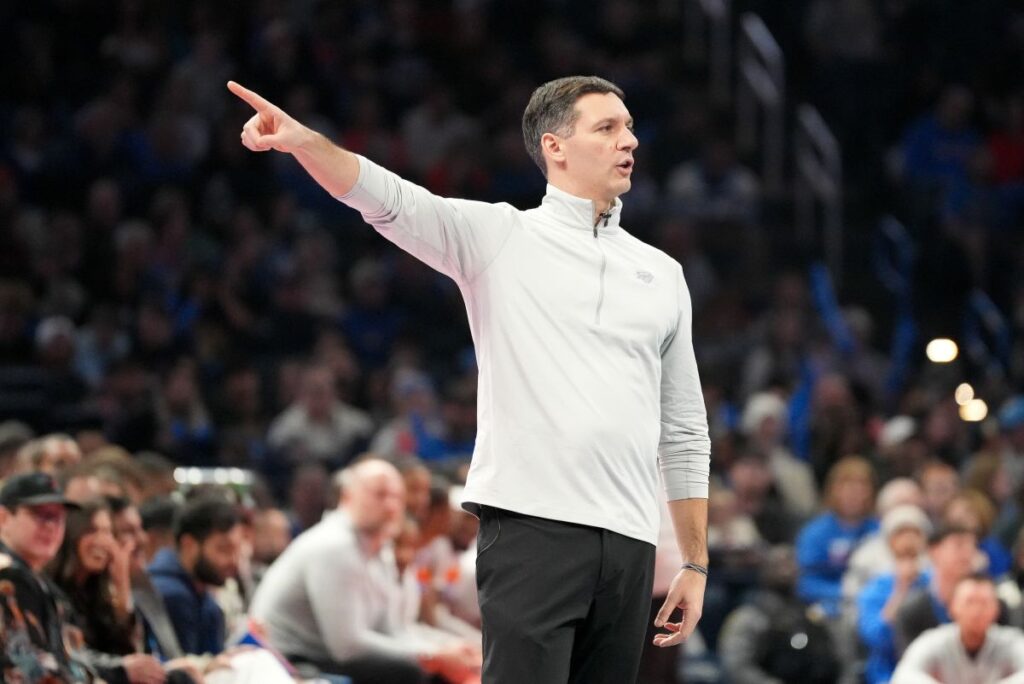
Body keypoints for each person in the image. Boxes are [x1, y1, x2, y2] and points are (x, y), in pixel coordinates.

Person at [229, 72, 711, 684]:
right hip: (533, 529)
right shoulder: (499, 237)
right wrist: (304, 143)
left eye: (631, 127)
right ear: (555, 147)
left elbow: (686, 429)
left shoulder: (662, 273)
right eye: (608, 128)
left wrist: (693, 562)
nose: (630, 141)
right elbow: (388, 198)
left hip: (632, 543)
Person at [250, 458, 479, 684]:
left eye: (397, 497)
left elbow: (394, 631)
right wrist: (433, 656)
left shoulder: (380, 549)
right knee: (415, 671)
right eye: (380, 494)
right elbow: (348, 647)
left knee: (431, 668)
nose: (390, 506)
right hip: (289, 662)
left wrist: (446, 648)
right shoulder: (334, 545)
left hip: (326, 655)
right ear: (348, 496)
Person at [148, 496, 243, 656]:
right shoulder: (171, 595)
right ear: (189, 545)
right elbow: (182, 670)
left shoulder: (204, 596)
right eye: (223, 549)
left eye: (236, 550)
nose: (233, 561)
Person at [891, 574, 1024, 684]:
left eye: (984, 602)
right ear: (952, 607)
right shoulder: (934, 640)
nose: (976, 610)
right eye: (969, 602)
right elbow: (903, 675)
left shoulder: (1012, 641)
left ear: (997, 609)